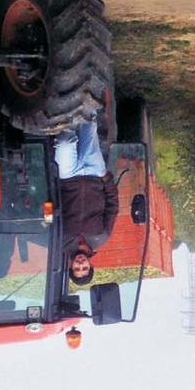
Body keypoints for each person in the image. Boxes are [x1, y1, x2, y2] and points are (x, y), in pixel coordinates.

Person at [55, 119, 118, 286]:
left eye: (77, 268)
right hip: (94, 174)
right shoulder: (102, 237)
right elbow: (112, 207)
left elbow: (51, 210)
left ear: (70, 266)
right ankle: (85, 98)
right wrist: (106, 178)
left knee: (64, 142)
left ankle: (64, 106)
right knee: (89, 126)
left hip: (67, 178)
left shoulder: (60, 241)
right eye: (84, 268)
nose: (81, 264)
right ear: (91, 265)